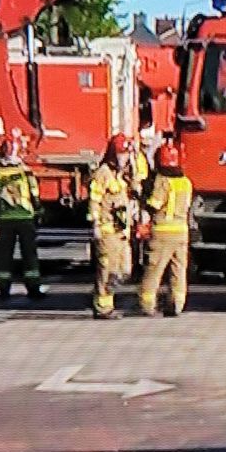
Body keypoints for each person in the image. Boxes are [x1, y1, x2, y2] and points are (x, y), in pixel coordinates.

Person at [138, 142, 193, 317]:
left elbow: (155, 204)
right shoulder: (185, 181)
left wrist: (142, 200)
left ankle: (147, 304)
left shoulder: (162, 181)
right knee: (179, 270)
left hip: (163, 232)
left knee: (155, 269)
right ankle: (176, 304)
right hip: (182, 232)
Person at [0, 140, 45, 300]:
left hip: (5, 219)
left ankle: (4, 289)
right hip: (25, 217)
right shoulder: (26, 172)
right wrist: (39, 211)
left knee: (4, 255)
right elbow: (35, 194)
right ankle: (33, 288)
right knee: (29, 255)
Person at [88, 134, 136, 319]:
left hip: (121, 231)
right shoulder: (103, 173)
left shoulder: (122, 175)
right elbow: (94, 200)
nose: (124, 157)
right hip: (107, 229)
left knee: (125, 269)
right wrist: (95, 225)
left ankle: (106, 296)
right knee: (107, 269)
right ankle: (103, 307)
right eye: (122, 154)